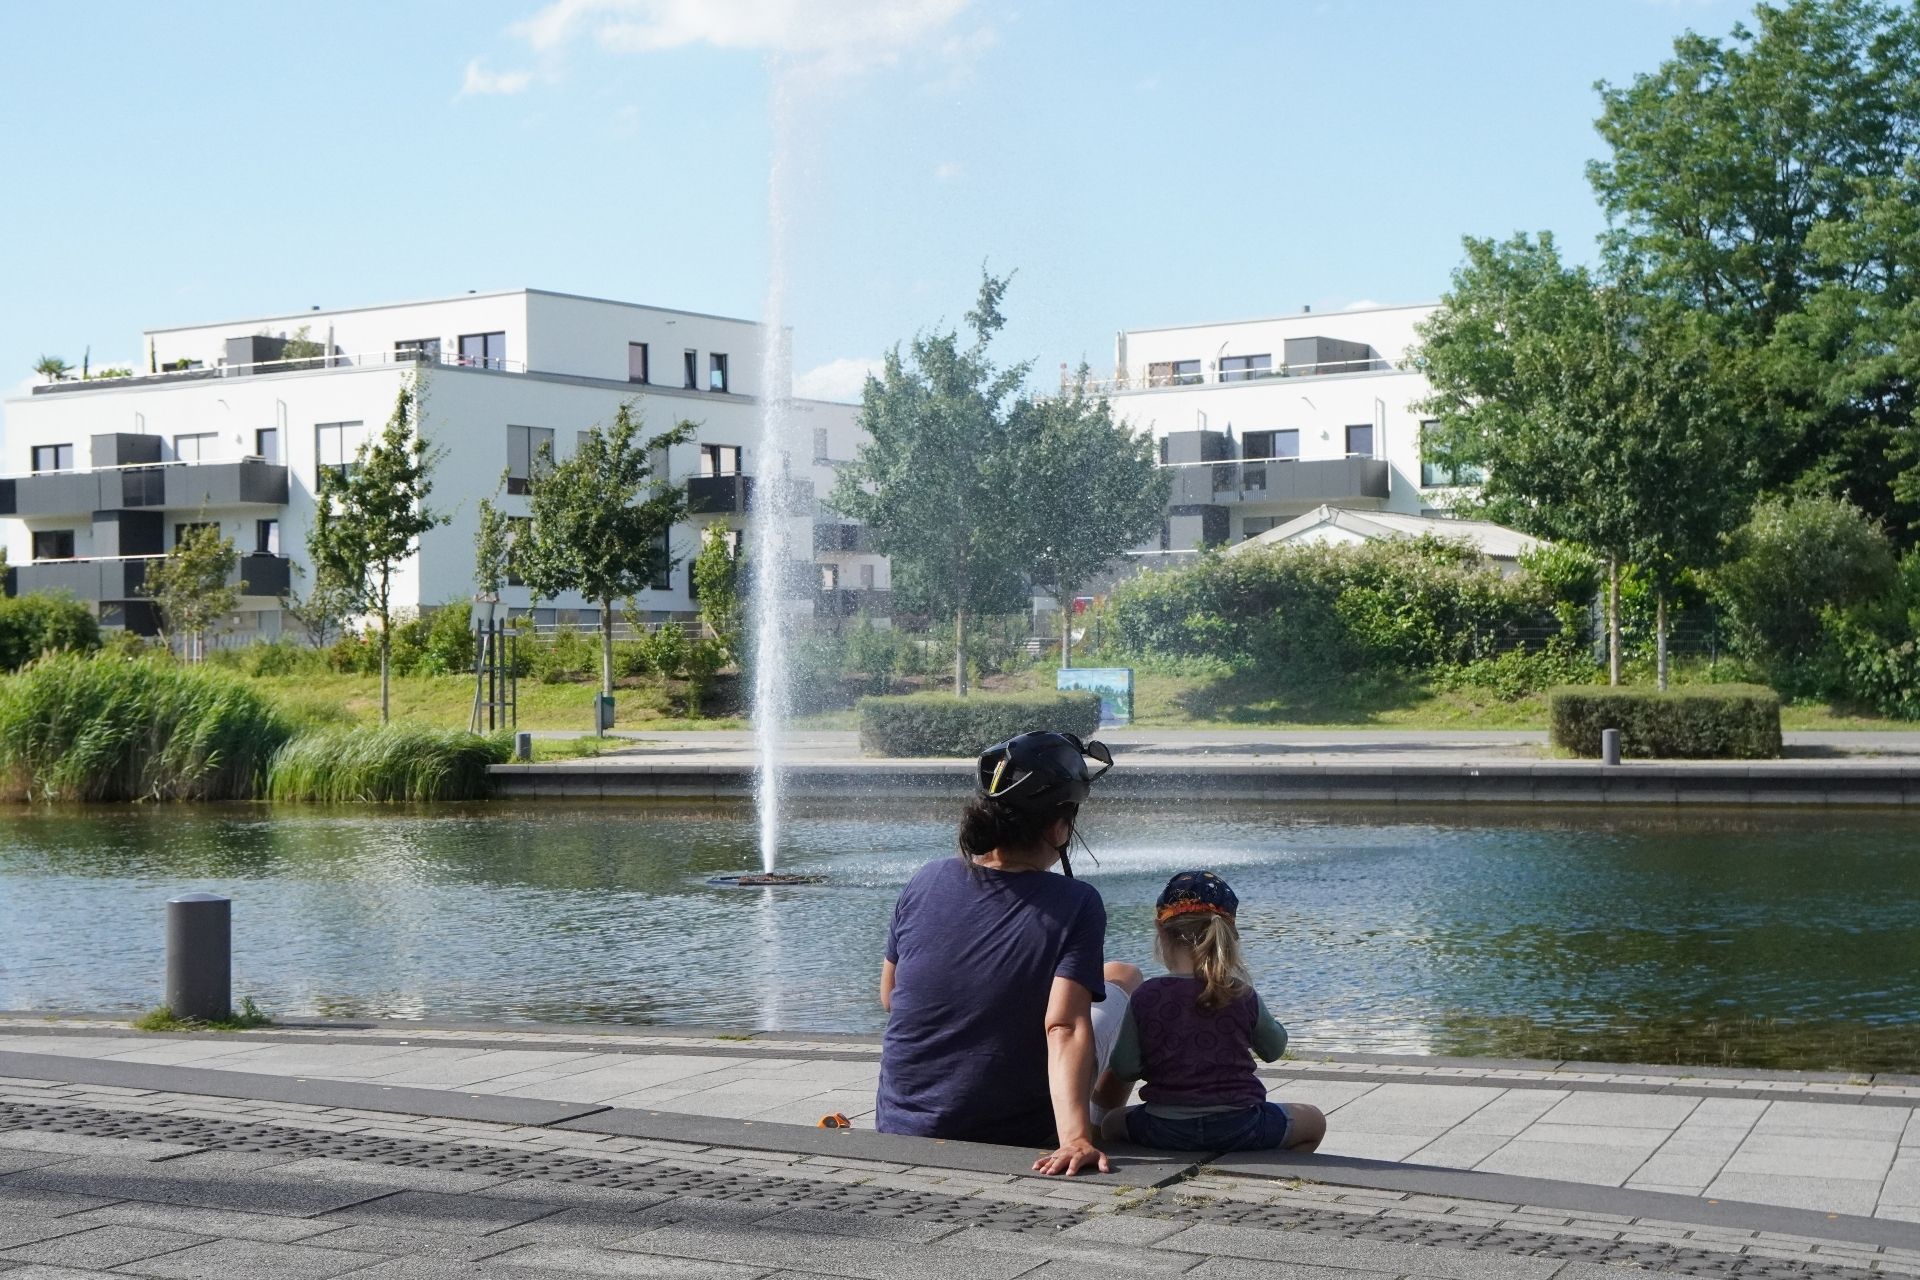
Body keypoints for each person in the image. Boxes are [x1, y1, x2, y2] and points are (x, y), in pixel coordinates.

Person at [876, 731, 1142, 1177]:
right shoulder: (1077, 902)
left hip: (901, 1126)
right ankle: (1096, 1122)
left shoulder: (926, 878)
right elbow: (1063, 1025)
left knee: (1106, 974)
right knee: (1127, 977)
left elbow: (892, 996)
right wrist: (1073, 1138)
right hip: (1016, 1131)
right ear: (1058, 828)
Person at [1094, 870, 1327, 1153]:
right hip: (1242, 1125)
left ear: (1160, 931)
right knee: (1314, 1120)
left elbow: (1124, 1067)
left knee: (1110, 1124)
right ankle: (1266, 1163)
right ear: (1227, 936)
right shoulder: (1240, 993)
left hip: (1164, 1128)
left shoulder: (1146, 995)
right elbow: (1274, 1049)